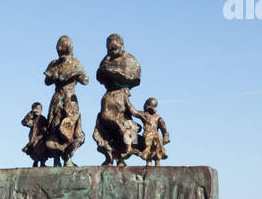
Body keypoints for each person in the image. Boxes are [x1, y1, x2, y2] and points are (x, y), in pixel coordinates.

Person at [92, 33, 141, 165]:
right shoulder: (106, 59)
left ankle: (121, 157)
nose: (111, 49)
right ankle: (109, 156)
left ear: (120, 43)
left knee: (124, 123)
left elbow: (135, 77)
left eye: (114, 46)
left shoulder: (129, 58)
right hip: (109, 96)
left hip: (121, 95)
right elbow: (99, 75)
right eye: (109, 47)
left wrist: (116, 74)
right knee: (104, 121)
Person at [43, 36, 89, 166]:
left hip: (70, 98)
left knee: (69, 127)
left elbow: (85, 80)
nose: (61, 48)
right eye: (59, 45)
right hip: (57, 97)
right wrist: (53, 75)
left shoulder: (75, 62)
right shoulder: (53, 63)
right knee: (54, 126)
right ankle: (56, 159)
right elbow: (47, 81)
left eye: (64, 45)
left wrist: (75, 74)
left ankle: (68, 157)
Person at [132, 98, 170, 165]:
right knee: (154, 153)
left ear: (146, 105)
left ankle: (150, 163)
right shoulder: (158, 118)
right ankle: (154, 164)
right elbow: (164, 128)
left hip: (149, 137)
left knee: (150, 152)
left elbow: (133, 111)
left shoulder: (145, 115)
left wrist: (126, 101)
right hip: (155, 138)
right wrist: (165, 136)